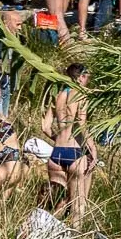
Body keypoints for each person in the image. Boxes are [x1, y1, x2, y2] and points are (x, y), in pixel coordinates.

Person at [44, 65, 97, 223]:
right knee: (78, 204)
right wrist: (93, 148)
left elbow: (45, 127)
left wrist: (59, 138)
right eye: (87, 77)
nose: (88, 80)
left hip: (56, 154)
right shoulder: (81, 95)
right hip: (74, 152)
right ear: (80, 77)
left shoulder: (57, 95)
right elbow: (81, 124)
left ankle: (43, 232)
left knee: (56, 203)